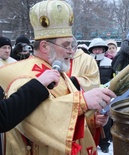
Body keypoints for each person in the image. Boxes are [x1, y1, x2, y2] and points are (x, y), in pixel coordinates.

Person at [0, 1, 116, 155]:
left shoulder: (55, 70)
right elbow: (38, 125)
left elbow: (68, 117)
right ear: (45, 47)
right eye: (66, 45)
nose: (71, 52)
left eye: (72, 46)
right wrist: (82, 101)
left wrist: (92, 120)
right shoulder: (23, 76)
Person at [88, 38, 114, 153]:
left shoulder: (109, 63)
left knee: (105, 120)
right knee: (90, 120)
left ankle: (105, 143)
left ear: (104, 50)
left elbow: (114, 79)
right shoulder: (87, 63)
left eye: (100, 49)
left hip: (105, 96)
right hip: (90, 96)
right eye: (95, 49)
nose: (97, 52)